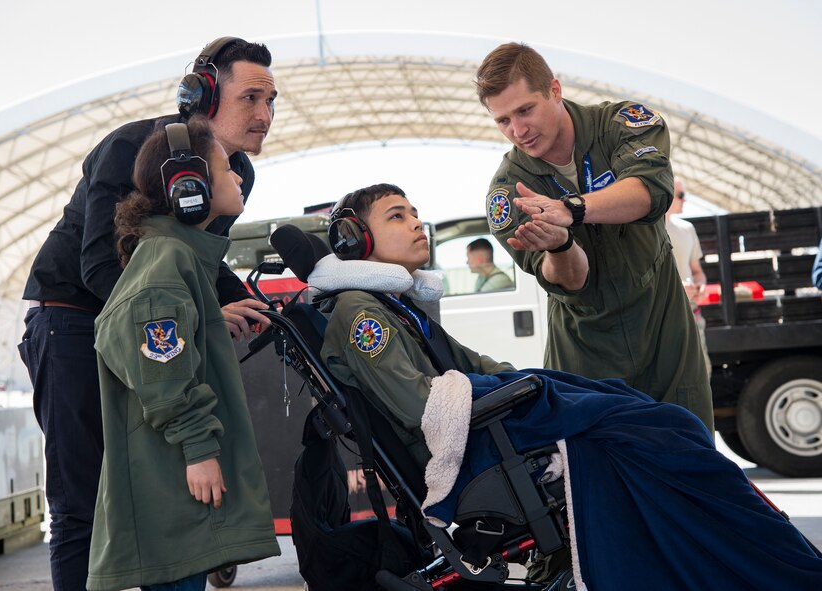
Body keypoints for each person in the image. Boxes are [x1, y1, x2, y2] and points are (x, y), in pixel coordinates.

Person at [309, 184, 822, 590]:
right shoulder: (360, 313)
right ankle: (772, 566)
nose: (416, 222)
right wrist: (517, 390)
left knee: (652, 419)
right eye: (397, 216)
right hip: (468, 454)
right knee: (661, 431)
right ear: (357, 240)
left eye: (415, 212)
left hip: (481, 435)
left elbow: (472, 365)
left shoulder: (396, 306)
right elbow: (421, 406)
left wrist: (526, 382)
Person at [16, 37, 276, 591]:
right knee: (82, 503)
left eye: (271, 101)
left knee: (166, 494)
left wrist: (257, 307)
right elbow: (99, 265)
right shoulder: (131, 146)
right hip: (73, 322)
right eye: (251, 98)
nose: (265, 115)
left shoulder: (237, 173)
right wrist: (188, 318)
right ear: (203, 95)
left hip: (148, 324)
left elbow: (201, 260)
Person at [473, 42, 713, 432]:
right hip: (586, 354)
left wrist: (572, 209)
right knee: (600, 466)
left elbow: (650, 190)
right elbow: (572, 280)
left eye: (525, 110)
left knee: (692, 454)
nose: (518, 131)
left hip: (664, 333)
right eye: (502, 120)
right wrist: (561, 245)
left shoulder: (621, 125)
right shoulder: (509, 191)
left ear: (554, 90)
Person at [87, 118, 279, 591]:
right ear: (189, 187)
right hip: (175, 490)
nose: (237, 177)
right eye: (225, 169)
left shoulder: (178, 258)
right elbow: (163, 381)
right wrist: (199, 451)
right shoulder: (166, 260)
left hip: (176, 488)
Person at [665, 177, 712, 377]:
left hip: (693, 316)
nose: (685, 199)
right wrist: (678, 289)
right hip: (665, 319)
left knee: (702, 374)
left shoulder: (687, 229)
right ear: (667, 193)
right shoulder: (646, 232)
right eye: (681, 194)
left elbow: (697, 271)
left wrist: (700, 285)